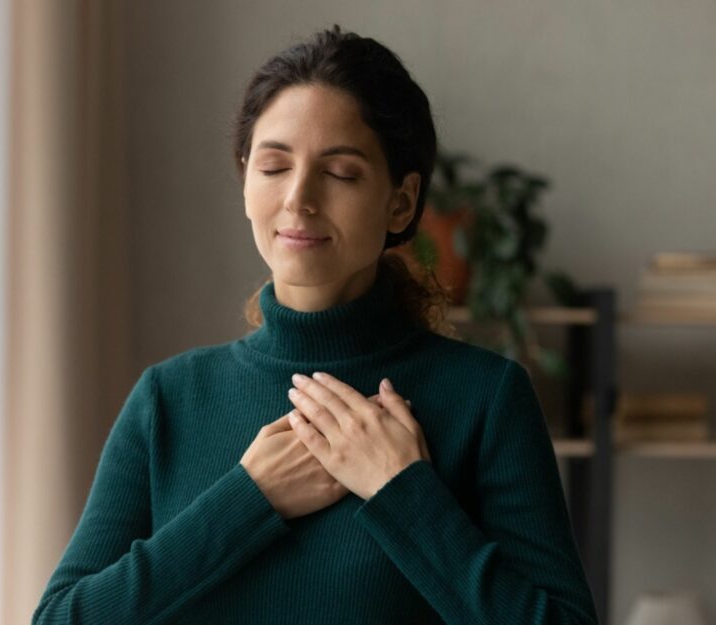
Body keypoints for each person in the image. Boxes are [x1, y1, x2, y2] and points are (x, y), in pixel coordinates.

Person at [32, 24, 599, 625]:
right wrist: (246, 502)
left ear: (401, 202)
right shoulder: (167, 401)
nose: (298, 198)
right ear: (246, 181)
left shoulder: (486, 400)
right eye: (274, 166)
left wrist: (402, 494)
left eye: (341, 173)